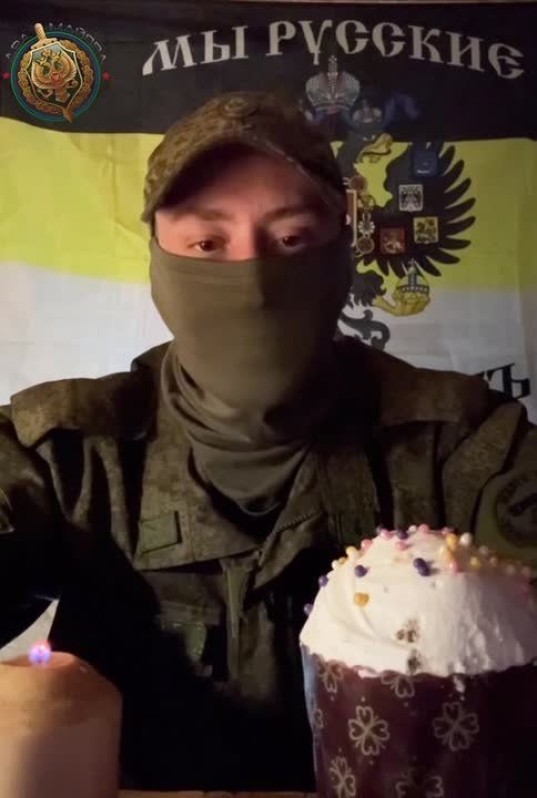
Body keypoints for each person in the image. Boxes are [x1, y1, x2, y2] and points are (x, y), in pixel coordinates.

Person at [0, 91, 536, 791]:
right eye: (207, 244)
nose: (252, 280)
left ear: (343, 249)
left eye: (291, 240)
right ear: (159, 257)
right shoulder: (68, 452)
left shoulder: (458, 442)